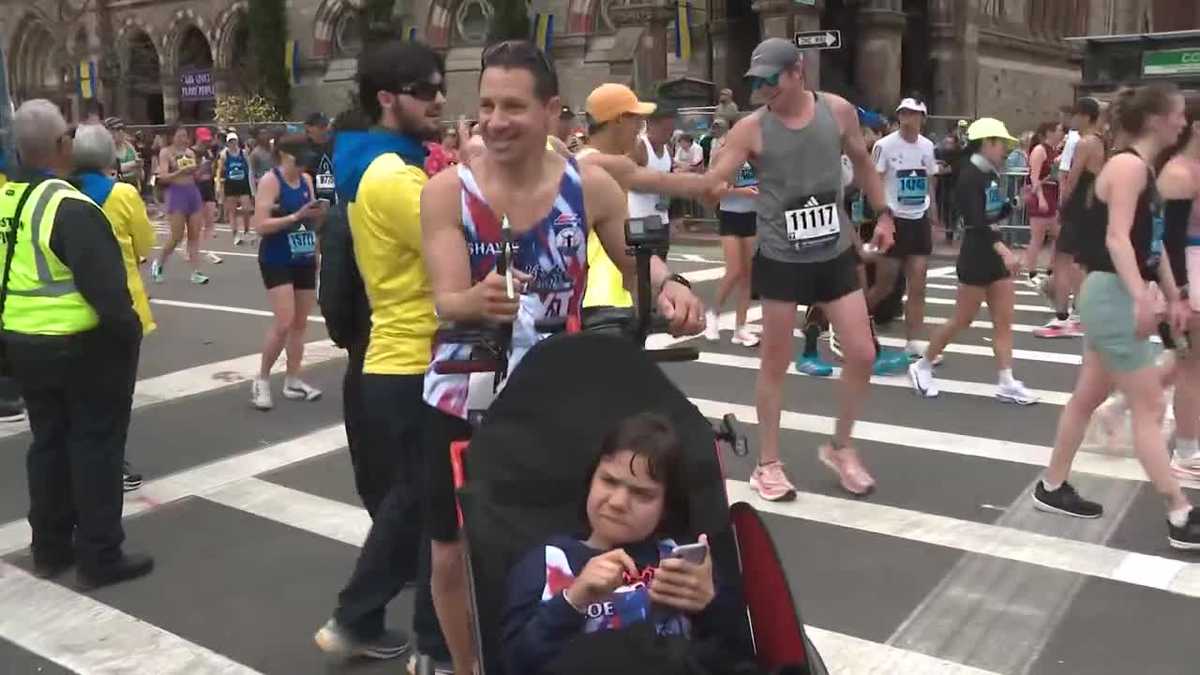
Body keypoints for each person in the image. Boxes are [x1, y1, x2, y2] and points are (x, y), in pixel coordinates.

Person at [421, 40, 705, 674]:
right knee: (450, 549)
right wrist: (477, 297)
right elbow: (446, 299)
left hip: (558, 395)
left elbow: (639, 262)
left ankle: (556, 643)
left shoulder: (590, 185)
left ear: (552, 112)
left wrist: (671, 286)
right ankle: (467, 665)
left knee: (545, 530)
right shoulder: (446, 192)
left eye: (514, 106)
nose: (496, 120)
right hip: (464, 391)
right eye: (487, 104)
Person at [703, 38, 895, 500]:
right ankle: (767, 463)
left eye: (771, 79)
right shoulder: (752, 128)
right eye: (757, 82)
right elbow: (714, 179)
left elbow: (865, 163)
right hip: (781, 256)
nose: (763, 89)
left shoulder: (837, 111)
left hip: (832, 250)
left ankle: (840, 446)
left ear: (797, 73)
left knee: (862, 353)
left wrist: (883, 213)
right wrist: (721, 183)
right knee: (775, 363)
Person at [313, 39, 448, 665]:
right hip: (412, 357)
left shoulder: (385, 163)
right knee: (426, 507)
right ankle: (419, 636)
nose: (441, 100)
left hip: (401, 357)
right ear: (388, 99)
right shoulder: (393, 175)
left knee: (416, 503)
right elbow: (467, 242)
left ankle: (361, 619)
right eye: (426, 90)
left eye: (440, 87)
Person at [1035, 83, 1200, 550]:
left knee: (1086, 398)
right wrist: (1143, 299)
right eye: (1176, 114)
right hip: (1111, 295)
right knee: (1147, 408)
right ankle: (1179, 512)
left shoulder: (1143, 167)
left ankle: (1051, 485)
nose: (1183, 121)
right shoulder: (1127, 166)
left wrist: (1170, 295)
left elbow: (1151, 246)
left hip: (1114, 293)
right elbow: (1116, 239)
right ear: (1153, 120)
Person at [1, 100, 151, 586]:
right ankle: (100, 554)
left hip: (22, 344)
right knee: (95, 448)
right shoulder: (69, 207)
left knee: (47, 444)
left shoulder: (5, 203)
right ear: (62, 144)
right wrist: (127, 339)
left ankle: (49, 546)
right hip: (80, 346)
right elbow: (110, 294)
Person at [502, 413, 738, 675]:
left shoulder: (684, 568)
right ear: (591, 479)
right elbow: (513, 664)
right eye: (609, 481)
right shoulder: (546, 563)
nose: (617, 502)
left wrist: (710, 604)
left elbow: (733, 655)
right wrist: (572, 601)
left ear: (666, 507)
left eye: (641, 494)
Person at [907, 119, 1039, 405]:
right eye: (1001, 143)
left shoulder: (989, 175)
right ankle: (922, 365)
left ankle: (1006, 381)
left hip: (994, 257)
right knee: (961, 320)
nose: (1005, 149)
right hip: (976, 258)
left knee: (1003, 322)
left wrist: (1018, 201)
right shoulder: (969, 177)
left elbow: (995, 212)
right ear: (988, 142)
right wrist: (1004, 250)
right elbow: (977, 222)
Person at [575, 84, 726, 310]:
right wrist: (708, 183)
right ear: (618, 119)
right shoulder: (597, 163)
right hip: (601, 300)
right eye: (635, 119)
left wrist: (667, 282)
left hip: (608, 290)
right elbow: (659, 180)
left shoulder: (584, 160)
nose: (639, 126)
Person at [72, 123, 157, 491]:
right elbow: (145, 245)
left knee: (81, 394)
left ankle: (82, 461)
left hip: (74, 306)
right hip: (122, 305)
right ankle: (111, 464)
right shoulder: (123, 194)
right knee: (117, 396)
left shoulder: (62, 193)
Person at [249, 134, 325, 411]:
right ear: (284, 156)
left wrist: (317, 221)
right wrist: (294, 217)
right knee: (283, 321)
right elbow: (260, 225)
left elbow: (311, 214)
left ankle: (293, 379)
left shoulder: (305, 180)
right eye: (299, 159)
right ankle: (262, 379)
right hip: (277, 256)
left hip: (303, 255)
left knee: (300, 324)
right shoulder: (271, 181)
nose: (304, 166)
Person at [864, 97, 940, 360]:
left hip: (918, 219)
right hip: (893, 219)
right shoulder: (884, 146)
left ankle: (914, 341)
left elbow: (929, 181)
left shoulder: (927, 146)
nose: (909, 118)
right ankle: (852, 323)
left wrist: (934, 217)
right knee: (885, 284)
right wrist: (882, 218)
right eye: (905, 113)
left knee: (918, 284)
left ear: (923, 118)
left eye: (915, 114)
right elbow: (875, 181)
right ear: (899, 116)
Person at [1039, 98, 1105, 339]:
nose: (1071, 120)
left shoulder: (1084, 143)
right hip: (1091, 207)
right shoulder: (1101, 142)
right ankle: (1080, 312)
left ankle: (1063, 316)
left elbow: (1072, 179)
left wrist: (1062, 205)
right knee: (1080, 262)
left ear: (1086, 116)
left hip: (1077, 207)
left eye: (1076, 114)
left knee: (1063, 261)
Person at [1159, 98, 1200, 479]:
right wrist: (1180, 294)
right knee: (1191, 366)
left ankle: (1120, 407)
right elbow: (1169, 240)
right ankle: (1186, 452)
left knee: (1191, 364)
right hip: (1189, 268)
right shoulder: (1179, 174)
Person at [704, 123, 760, 347]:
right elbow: (714, 191)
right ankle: (713, 314)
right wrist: (740, 191)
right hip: (729, 216)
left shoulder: (758, 158)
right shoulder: (723, 156)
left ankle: (741, 328)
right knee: (734, 270)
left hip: (751, 217)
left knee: (748, 276)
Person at [151, 126, 210, 285]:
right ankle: (159, 263)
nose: (183, 139)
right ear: (172, 137)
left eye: (185, 136)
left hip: (192, 192)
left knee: (194, 234)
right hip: (176, 194)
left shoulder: (190, 152)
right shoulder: (165, 152)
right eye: (180, 136)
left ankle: (196, 271)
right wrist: (180, 172)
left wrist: (199, 170)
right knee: (176, 236)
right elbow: (163, 177)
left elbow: (194, 175)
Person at [1022, 121, 1065, 290]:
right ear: (1050, 132)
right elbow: (1034, 177)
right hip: (1041, 193)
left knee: (1058, 235)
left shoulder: (1055, 150)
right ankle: (1031, 271)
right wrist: (1040, 197)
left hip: (1053, 194)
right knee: (1038, 237)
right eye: (1059, 130)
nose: (1061, 133)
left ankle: (1051, 269)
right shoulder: (1040, 150)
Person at [216, 131, 253, 245]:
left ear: (237, 141)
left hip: (243, 184)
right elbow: (219, 170)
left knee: (246, 209)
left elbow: (250, 168)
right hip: (230, 185)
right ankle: (235, 234)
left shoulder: (244, 153)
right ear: (227, 143)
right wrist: (219, 185)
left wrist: (252, 183)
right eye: (230, 141)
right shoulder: (224, 155)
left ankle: (246, 231)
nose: (232, 143)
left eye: (234, 141)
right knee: (232, 211)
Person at [192, 127, 222, 264]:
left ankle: (208, 250)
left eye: (207, 140)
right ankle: (190, 248)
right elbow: (192, 174)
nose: (206, 142)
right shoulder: (191, 152)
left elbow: (213, 169)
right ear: (197, 138)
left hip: (208, 186)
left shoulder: (209, 151)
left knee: (210, 220)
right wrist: (201, 167)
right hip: (196, 186)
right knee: (196, 223)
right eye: (203, 140)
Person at [304, 112, 337, 205]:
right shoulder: (305, 147)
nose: (308, 135)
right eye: (307, 132)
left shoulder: (336, 145)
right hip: (315, 196)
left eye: (309, 132)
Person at [106, 117, 141, 191]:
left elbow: (139, 168)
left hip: (133, 188)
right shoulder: (105, 149)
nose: (120, 132)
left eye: (122, 129)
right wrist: (133, 165)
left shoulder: (129, 146)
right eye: (116, 130)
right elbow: (112, 171)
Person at [249, 127, 275, 198]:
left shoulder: (274, 150)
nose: (265, 136)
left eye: (266, 134)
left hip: (275, 185)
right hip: (262, 185)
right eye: (262, 134)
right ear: (258, 137)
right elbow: (251, 174)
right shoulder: (255, 153)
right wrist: (254, 193)